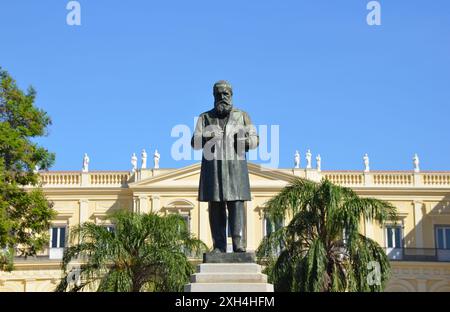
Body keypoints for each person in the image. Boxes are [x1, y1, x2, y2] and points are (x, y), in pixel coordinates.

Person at [191, 81, 259, 253]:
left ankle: (239, 245)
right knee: (215, 206)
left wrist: (245, 141)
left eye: (225, 94)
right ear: (214, 96)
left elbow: (255, 139)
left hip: (235, 168)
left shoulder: (242, 116)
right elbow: (194, 142)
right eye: (218, 94)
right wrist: (207, 135)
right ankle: (219, 246)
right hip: (213, 169)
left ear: (231, 95)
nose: (222, 97)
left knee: (236, 204)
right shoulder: (205, 117)